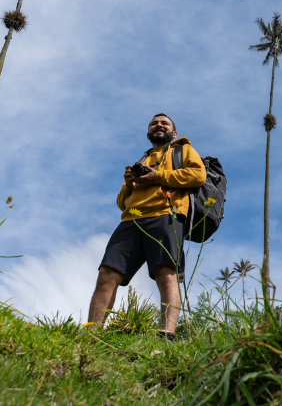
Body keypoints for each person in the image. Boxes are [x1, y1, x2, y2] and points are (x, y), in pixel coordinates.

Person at [87, 113, 206, 340]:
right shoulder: (142, 161)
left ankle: (166, 333)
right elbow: (122, 202)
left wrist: (157, 176)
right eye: (154, 123)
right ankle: (90, 334)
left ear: (174, 133)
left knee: (166, 273)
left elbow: (198, 175)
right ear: (148, 132)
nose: (159, 125)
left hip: (165, 214)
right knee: (107, 273)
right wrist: (129, 184)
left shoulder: (182, 151)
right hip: (130, 219)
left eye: (164, 123)